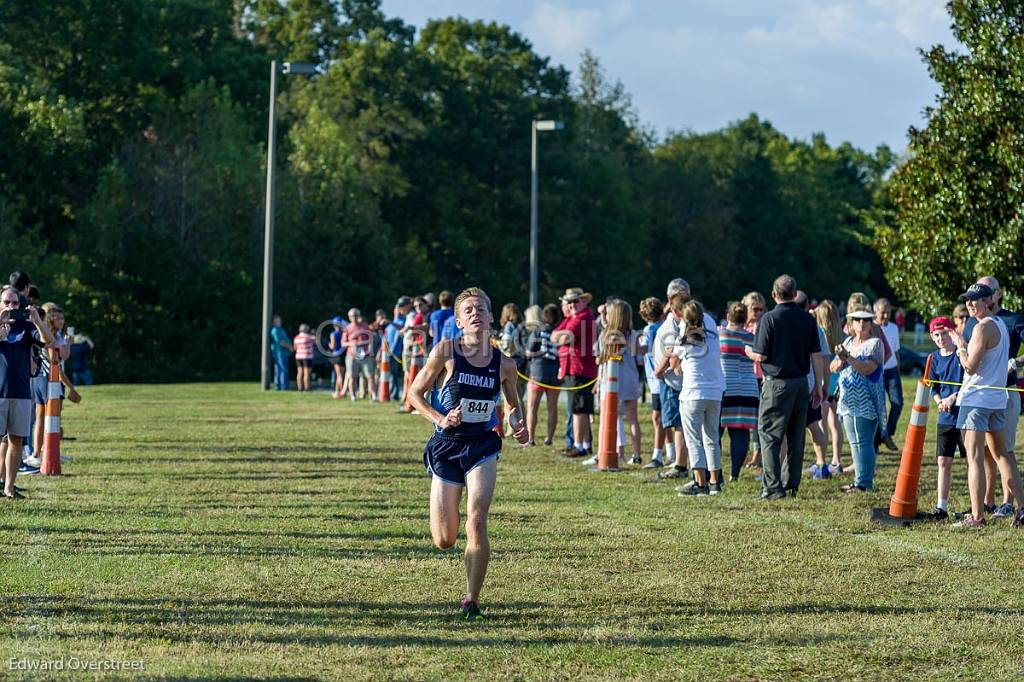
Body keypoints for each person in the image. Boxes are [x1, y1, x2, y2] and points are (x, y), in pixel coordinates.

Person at [408, 287, 529, 621]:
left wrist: (518, 423)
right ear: (459, 321)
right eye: (469, 310)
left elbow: (512, 403)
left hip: (482, 445)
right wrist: (440, 418)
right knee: (445, 538)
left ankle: (472, 600)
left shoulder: (505, 364)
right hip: (446, 446)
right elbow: (415, 394)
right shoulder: (445, 352)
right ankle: (447, 530)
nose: (476, 313)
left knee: (477, 520)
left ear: (491, 317)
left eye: (481, 309)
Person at [949, 283, 1024, 528]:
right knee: (1004, 455)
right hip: (996, 399)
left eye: (976, 299)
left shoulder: (982, 328)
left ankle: (977, 517)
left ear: (988, 301)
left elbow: (970, 366)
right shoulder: (1001, 324)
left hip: (977, 401)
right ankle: (1022, 508)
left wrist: (960, 346)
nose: (970, 303)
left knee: (975, 459)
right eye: (968, 299)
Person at [746, 274, 822, 500]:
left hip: (777, 384)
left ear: (773, 294)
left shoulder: (769, 319)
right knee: (796, 435)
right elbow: (816, 355)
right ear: (795, 294)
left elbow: (761, 354)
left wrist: (749, 352)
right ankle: (791, 484)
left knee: (769, 435)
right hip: (801, 382)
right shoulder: (808, 319)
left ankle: (772, 486)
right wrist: (818, 385)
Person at [0, 285, 54, 498]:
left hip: (21, 392)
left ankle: (9, 487)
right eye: (6, 303)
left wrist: (38, 321)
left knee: (16, 440)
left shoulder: (25, 326)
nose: (11, 307)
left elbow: (48, 341)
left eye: (15, 303)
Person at [672, 300, 725, 495]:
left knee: (694, 440)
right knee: (712, 438)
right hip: (715, 391)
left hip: (693, 393)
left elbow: (673, 358)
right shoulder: (712, 335)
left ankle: (700, 483)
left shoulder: (683, 341)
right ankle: (714, 483)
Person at [831, 308, 885, 493]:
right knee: (854, 442)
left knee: (864, 442)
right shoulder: (848, 341)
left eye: (866, 321)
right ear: (851, 323)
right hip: (848, 400)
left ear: (871, 324)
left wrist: (848, 357)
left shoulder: (875, 344)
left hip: (867, 400)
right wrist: (840, 359)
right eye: (857, 320)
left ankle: (864, 483)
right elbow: (833, 367)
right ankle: (859, 481)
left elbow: (867, 368)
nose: (862, 324)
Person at [592, 300, 642, 466]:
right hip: (631, 379)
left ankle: (615, 451)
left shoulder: (606, 335)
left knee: (612, 418)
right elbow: (640, 359)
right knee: (633, 419)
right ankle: (636, 454)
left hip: (612, 382)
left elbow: (599, 359)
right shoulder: (633, 335)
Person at [925, 316, 965, 520]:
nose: (940, 338)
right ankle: (941, 507)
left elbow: (970, 381)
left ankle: (981, 504)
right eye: (936, 335)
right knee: (943, 461)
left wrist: (954, 397)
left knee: (974, 461)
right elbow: (933, 386)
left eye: (944, 334)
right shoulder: (933, 358)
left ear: (952, 333)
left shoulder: (961, 354)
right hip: (946, 417)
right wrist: (940, 401)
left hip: (965, 414)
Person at [551, 288, 598, 457]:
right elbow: (554, 335)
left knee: (578, 409)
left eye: (575, 301)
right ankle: (584, 445)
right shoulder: (573, 318)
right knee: (580, 408)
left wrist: (560, 337)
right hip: (574, 369)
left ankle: (579, 446)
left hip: (580, 369)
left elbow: (563, 338)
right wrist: (560, 337)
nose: (572, 305)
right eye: (569, 302)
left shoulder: (583, 317)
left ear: (584, 301)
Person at [719, 301, 758, 482]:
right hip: (749, 388)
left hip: (726, 386)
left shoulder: (721, 335)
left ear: (728, 317)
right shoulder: (753, 338)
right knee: (741, 432)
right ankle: (734, 474)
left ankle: (715, 473)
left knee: (716, 432)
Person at [814, 301, 846, 475]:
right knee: (835, 424)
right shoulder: (841, 334)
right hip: (838, 383)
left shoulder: (820, 334)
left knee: (822, 423)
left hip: (825, 382)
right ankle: (837, 460)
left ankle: (822, 462)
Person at [524, 304, 560, 446]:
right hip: (555, 373)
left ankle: (531, 438)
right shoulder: (560, 332)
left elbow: (528, 352)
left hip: (537, 373)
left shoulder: (538, 331)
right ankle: (549, 439)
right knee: (552, 407)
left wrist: (535, 355)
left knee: (532, 407)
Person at [639, 297, 667, 468]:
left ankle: (658, 455)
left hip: (657, 379)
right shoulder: (662, 326)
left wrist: (630, 343)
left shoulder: (649, 329)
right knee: (664, 417)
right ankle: (670, 451)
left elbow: (645, 348)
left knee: (658, 418)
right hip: (657, 378)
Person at [742, 291, 766, 469]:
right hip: (745, 376)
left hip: (761, 376)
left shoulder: (764, 326)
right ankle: (747, 451)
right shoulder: (741, 327)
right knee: (748, 417)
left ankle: (758, 453)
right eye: (754, 309)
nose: (757, 312)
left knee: (759, 418)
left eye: (761, 309)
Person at [874, 298, 902, 452]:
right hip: (877, 371)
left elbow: (896, 350)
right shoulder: (871, 327)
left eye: (888, 313)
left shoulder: (894, 328)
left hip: (892, 371)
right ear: (875, 312)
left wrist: (898, 367)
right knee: (878, 407)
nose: (885, 316)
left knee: (897, 403)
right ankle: (876, 440)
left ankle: (887, 434)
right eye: (882, 312)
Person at [498, 303, 528, 401]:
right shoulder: (523, 327)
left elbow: (506, 345)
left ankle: (520, 417)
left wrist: (498, 343)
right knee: (519, 396)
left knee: (514, 399)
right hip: (524, 364)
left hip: (512, 363)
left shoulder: (509, 326)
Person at [343, 308, 375, 400]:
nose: (354, 317)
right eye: (352, 316)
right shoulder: (348, 328)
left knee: (370, 376)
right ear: (349, 317)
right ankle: (353, 396)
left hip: (365, 354)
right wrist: (352, 343)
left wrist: (365, 343)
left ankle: (373, 395)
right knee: (352, 376)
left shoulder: (364, 326)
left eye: (356, 315)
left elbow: (371, 339)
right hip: (352, 355)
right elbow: (343, 343)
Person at [269, 315, 292, 390]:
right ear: (273, 322)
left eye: (279, 320)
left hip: (283, 353)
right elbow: (281, 342)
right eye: (277, 321)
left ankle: (278, 386)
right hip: (279, 354)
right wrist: (290, 347)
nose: (279, 322)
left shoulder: (280, 329)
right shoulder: (275, 330)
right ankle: (282, 386)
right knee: (282, 370)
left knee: (280, 370)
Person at [328, 316, 348, 399]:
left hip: (336, 354)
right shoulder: (344, 332)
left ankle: (340, 392)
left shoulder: (333, 334)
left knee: (339, 375)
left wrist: (328, 344)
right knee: (342, 375)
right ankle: (338, 391)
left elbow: (332, 346)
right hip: (343, 354)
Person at [293, 324, 315, 392]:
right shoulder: (309, 337)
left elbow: (295, 348)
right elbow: (315, 343)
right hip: (307, 356)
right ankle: (307, 388)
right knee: (306, 373)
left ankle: (299, 388)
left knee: (299, 372)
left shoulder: (296, 337)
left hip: (298, 356)